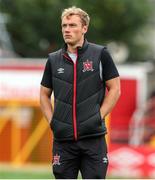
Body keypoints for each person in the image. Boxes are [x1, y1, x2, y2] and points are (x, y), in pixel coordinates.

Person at [40, 6, 121, 179]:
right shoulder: (53, 60)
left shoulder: (100, 54)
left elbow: (115, 89)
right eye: (64, 26)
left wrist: (98, 116)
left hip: (93, 138)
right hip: (63, 141)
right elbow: (44, 94)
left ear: (84, 28)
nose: (67, 30)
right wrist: (52, 121)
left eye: (72, 25)